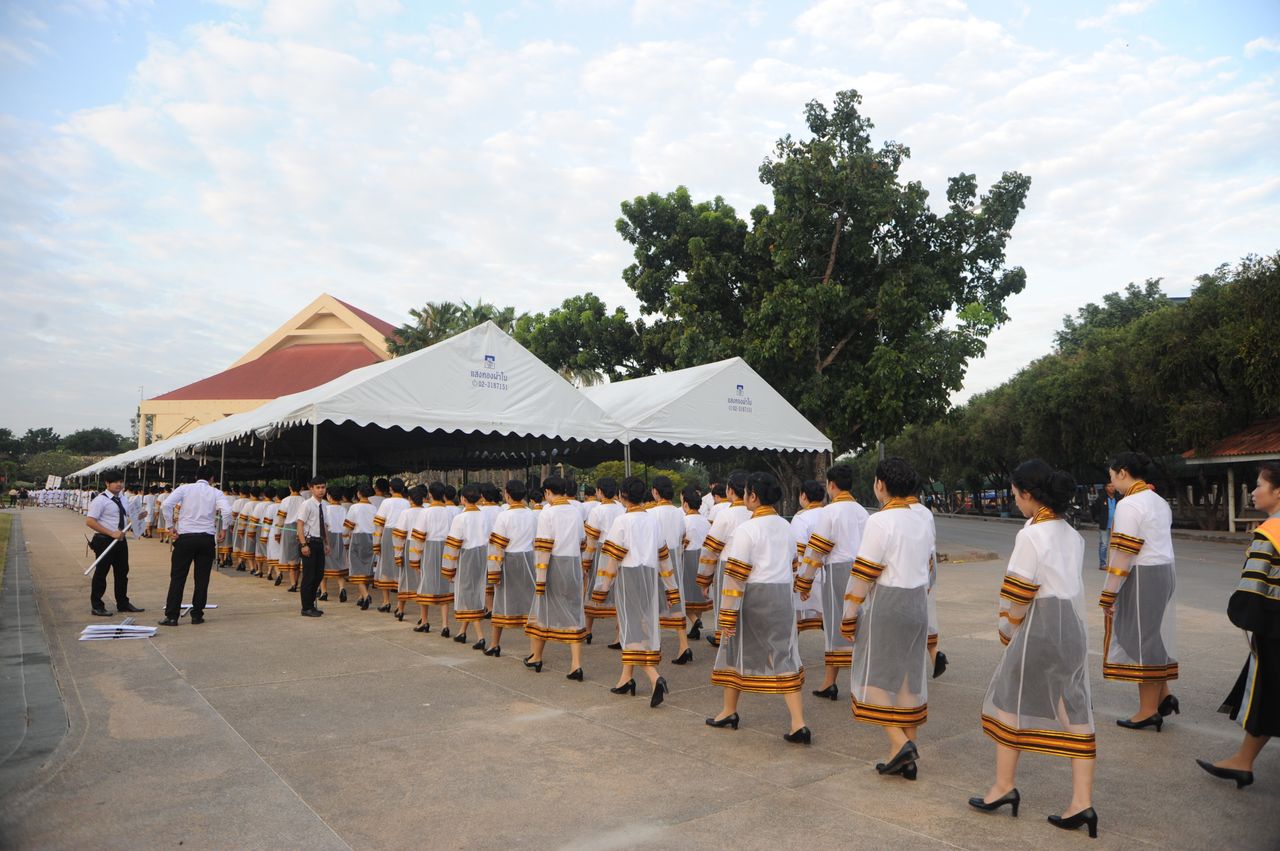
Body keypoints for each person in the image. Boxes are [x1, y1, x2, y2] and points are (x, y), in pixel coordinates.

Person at [970, 460, 1097, 837]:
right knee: (1074, 709)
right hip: (1071, 626)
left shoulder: (1031, 535)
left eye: (1015, 494)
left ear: (1028, 494)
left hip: (1040, 626)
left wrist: (1008, 629)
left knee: (1008, 700)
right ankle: (1082, 803)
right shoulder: (1071, 533)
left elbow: (1019, 594)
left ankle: (1003, 787)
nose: (1015, 501)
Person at [838, 458, 932, 780]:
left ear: (881, 484)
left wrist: (849, 614)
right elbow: (929, 567)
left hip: (889, 604)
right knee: (908, 677)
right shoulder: (921, 519)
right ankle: (904, 757)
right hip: (917, 602)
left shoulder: (880, 521)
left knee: (871, 677)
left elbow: (864, 573)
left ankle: (900, 743)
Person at [706, 471, 809, 742]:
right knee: (783, 654)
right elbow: (794, 564)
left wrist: (727, 614)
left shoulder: (747, 529)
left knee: (733, 649)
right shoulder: (785, 526)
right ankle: (798, 722)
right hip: (782, 597)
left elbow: (736, 576)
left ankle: (729, 710)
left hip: (754, 597)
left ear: (753, 496)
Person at [1197, 461, 1280, 789]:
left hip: (1275, 629)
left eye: (1260, 485)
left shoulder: (1270, 532)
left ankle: (1243, 761)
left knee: (1266, 693)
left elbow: (1252, 589)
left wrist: (1248, 619)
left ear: (1278, 491)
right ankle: (1243, 760)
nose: (1254, 491)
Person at [1099, 451, 1179, 729]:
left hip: (1143, 575)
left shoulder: (1129, 504)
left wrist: (1109, 593)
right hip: (1164, 572)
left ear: (1122, 472)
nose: (1112, 482)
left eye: (1112, 476)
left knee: (1140, 640)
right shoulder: (1158, 501)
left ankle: (1148, 711)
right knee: (1150, 635)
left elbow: (1124, 553)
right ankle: (1164, 695)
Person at [592, 475, 681, 705]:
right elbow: (664, 559)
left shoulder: (622, 521)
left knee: (631, 630)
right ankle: (626, 678)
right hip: (649, 578)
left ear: (622, 496)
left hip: (629, 577)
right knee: (636, 627)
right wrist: (671, 590)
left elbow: (612, 560)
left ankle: (655, 677)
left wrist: (602, 589)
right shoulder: (652, 520)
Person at [795, 464, 869, 700]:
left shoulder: (831, 512)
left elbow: (816, 550)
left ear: (832, 485)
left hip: (838, 571)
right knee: (860, 624)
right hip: (862, 571)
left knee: (836, 625)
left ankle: (840, 683)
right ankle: (832, 681)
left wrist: (804, 582)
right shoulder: (862, 511)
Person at [524, 476, 587, 678]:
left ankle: (536, 657)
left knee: (543, 610)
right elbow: (583, 542)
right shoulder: (576, 511)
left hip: (554, 565)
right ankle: (576, 664)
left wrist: (540, 579)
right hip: (573, 564)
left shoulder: (547, 512)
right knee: (574, 613)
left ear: (548, 492)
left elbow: (543, 547)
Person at [158, 465, 232, 626]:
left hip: (185, 537)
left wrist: (170, 526)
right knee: (202, 578)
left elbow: (166, 505)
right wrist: (224, 529)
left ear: (195, 476)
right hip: (206, 538)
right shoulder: (216, 492)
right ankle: (197, 615)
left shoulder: (184, 489)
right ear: (212, 479)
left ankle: (172, 616)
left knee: (178, 577)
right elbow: (226, 511)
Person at [696, 471, 751, 647]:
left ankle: (725, 638)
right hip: (754, 566)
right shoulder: (755, 513)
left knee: (727, 604)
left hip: (729, 566)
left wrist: (705, 579)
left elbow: (711, 550)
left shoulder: (726, 515)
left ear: (730, 491)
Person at [485, 479, 537, 656]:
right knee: (531, 604)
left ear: (507, 494)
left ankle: (494, 644)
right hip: (529, 560)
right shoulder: (532, 514)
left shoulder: (504, 516)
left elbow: (497, 546)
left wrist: (494, 572)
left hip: (509, 561)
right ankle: (533, 651)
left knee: (500, 601)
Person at [84, 470, 143, 617]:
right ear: (107, 483)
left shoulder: (123, 498)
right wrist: (111, 533)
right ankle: (97, 606)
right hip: (104, 540)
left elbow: (127, 516)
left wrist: (139, 516)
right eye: (115, 482)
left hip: (120, 540)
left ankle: (123, 603)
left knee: (122, 572)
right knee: (101, 573)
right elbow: (90, 521)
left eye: (120, 482)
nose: (119, 484)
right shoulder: (100, 500)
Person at [648, 476, 692, 665]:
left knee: (653, 602)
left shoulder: (650, 513)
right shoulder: (678, 512)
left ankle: (653, 645)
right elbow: (683, 535)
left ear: (655, 492)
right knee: (675, 600)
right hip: (674, 558)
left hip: (656, 559)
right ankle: (684, 644)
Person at [582, 478, 624, 645]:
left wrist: (586, 562)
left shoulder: (597, 511)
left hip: (602, 551)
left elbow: (591, 541)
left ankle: (588, 630)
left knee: (594, 588)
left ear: (600, 491)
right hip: (620, 552)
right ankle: (619, 634)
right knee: (619, 592)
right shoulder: (621, 508)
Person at [410, 481, 455, 634]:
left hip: (429, 548)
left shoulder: (426, 512)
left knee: (425, 583)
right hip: (446, 548)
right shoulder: (449, 512)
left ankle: (424, 621)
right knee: (444, 585)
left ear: (430, 494)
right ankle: (445, 625)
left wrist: (416, 558)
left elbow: (418, 536)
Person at [791, 480, 826, 637]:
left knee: (797, 617)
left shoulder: (801, 518)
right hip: (829, 573)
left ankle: (793, 649)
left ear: (803, 496)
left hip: (808, 574)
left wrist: (800, 581)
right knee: (828, 616)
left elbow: (798, 551)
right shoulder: (829, 513)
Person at [372, 478, 410, 613]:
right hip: (403, 534)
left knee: (386, 567)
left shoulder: (386, 502)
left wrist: (376, 543)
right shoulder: (407, 503)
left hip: (388, 534)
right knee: (401, 567)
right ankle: (400, 605)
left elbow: (379, 524)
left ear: (390, 489)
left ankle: (386, 601)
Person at [295, 476, 331, 617]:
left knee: (319, 574)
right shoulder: (307, 504)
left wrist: (327, 543)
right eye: (318, 487)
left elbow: (324, 525)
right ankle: (306, 607)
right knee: (309, 576)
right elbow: (300, 524)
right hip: (309, 542)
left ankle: (311, 604)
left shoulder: (324, 505)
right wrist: (303, 544)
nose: (321, 490)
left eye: (323, 487)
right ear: (311, 489)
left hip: (319, 542)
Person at [392, 485, 428, 621]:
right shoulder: (427, 511)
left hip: (409, 546)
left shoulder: (406, 513)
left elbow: (399, 535)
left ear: (410, 499)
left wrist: (398, 553)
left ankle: (401, 609)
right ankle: (423, 617)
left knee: (405, 578)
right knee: (422, 580)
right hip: (425, 547)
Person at [681, 486, 712, 638]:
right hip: (704, 558)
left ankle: (694, 620)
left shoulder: (684, 520)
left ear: (686, 504)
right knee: (699, 596)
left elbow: (682, 542)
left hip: (688, 557)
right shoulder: (706, 521)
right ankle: (696, 628)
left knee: (684, 596)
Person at [343, 485, 377, 609]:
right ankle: (361, 596)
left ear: (358, 494)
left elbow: (348, 526)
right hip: (371, 538)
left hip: (358, 538)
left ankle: (366, 595)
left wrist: (344, 536)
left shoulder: (354, 507)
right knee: (366, 569)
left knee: (357, 568)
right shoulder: (374, 508)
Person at [1090, 483, 1120, 570]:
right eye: (1109, 486)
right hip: (1105, 525)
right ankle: (1103, 564)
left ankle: (1114, 564)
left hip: (1116, 525)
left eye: (1113, 486)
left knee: (1115, 546)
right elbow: (1094, 509)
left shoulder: (1119, 498)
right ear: (1106, 487)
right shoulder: (1101, 498)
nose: (1111, 488)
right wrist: (1097, 519)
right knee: (1104, 544)